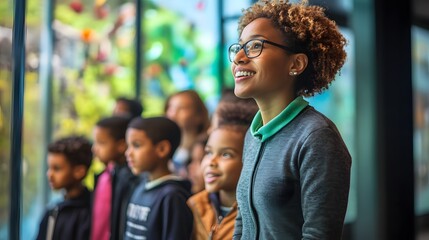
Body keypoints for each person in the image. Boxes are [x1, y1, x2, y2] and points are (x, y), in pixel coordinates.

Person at [229, 1, 351, 239]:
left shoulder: (316, 136)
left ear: (295, 64)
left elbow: (319, 235)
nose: (239, 58)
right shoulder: (254, 135)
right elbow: (242, 223)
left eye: (255, 46)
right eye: (239, 48)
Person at [187, 102, 254, 240]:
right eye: (209, 152)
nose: (211, 162)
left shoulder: (255, 214)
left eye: (226, 154)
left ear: (249, 159)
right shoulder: (195, 205)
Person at [123, 117, 193, 240]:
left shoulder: (172, 196)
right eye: (128, 146)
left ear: (162, 149)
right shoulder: (140, 186)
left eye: (136, 145)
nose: (128, 153)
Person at [36, 136, 93, 240]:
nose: (49, 174)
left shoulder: (92, 211)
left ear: (79, 171)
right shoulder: (53, 210)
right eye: (49, 167)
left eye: (56, 169)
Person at [91, 116, 136, 240]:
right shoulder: (105, 175)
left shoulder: (130, 180)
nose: (94, 149)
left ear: (121, 145)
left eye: (101, 143)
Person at [164, 90, 210, 178]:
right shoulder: (166, 145)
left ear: (198, 115)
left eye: (181, 108)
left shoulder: (205, 146)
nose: (172, 114)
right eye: (170, 108)